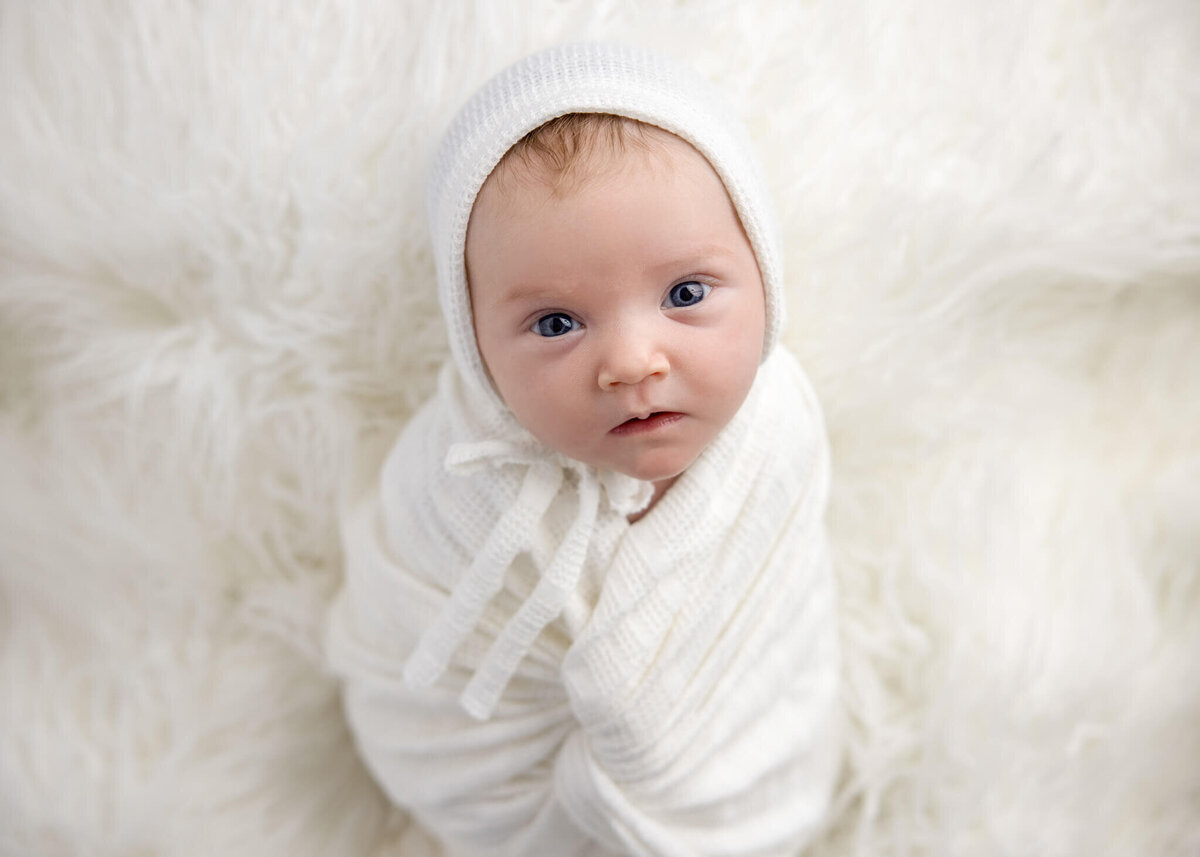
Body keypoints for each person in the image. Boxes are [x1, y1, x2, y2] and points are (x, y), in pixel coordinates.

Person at [327, 42, 840, 857]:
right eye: (556, 323)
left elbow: (779, 634)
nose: (633, 363)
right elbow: (404, 647)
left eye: (685, 294)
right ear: (475, 344)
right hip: (506, 800)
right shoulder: (457, 474)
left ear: (764, 272)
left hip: (725, 789)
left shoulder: (777, 428)